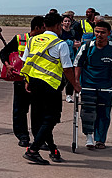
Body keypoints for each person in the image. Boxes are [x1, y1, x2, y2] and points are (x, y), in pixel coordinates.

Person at [21, 12, 81, 164]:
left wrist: (27, 80)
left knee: (42, 119)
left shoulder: (32, 40)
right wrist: (75, 85)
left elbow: (26, 61)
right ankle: (33, 150)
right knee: (51, 118)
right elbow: (67, 69)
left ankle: (53, 150)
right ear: (56, 26)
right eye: (61, 25)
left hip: (34, 83)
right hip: (50, 85)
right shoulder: (60, 44)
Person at [0, 16, 44, 146]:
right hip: (21, 80)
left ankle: (39, 138)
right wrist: (7, 65)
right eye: (43, 27)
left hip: (37, 80)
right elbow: (4, 52)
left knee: (38, 111)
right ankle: (23, 136)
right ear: (37, 28)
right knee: (20, 110)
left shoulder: (44, 40)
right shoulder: (20, 39)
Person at [74, 20, 112, 149]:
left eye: (103, 32)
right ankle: (89, 137)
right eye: (97, 31)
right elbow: (77, 64)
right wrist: (76, 82)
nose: (99, 35)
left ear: (109, 33)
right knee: (88, 112)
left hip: (106, 87)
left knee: (104, 113)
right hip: (88, 85)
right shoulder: (87, 46)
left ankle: (100, 140)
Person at [60, 15, 76, 102]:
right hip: (61, 57)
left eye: (68, 21)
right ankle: (59, 91)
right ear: (62, 22)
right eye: (65, 21)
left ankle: (69, 95)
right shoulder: (60, 32)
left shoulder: (73, 32)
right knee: (62, 77)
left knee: (71, 76)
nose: (67, 23)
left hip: (71, 56)